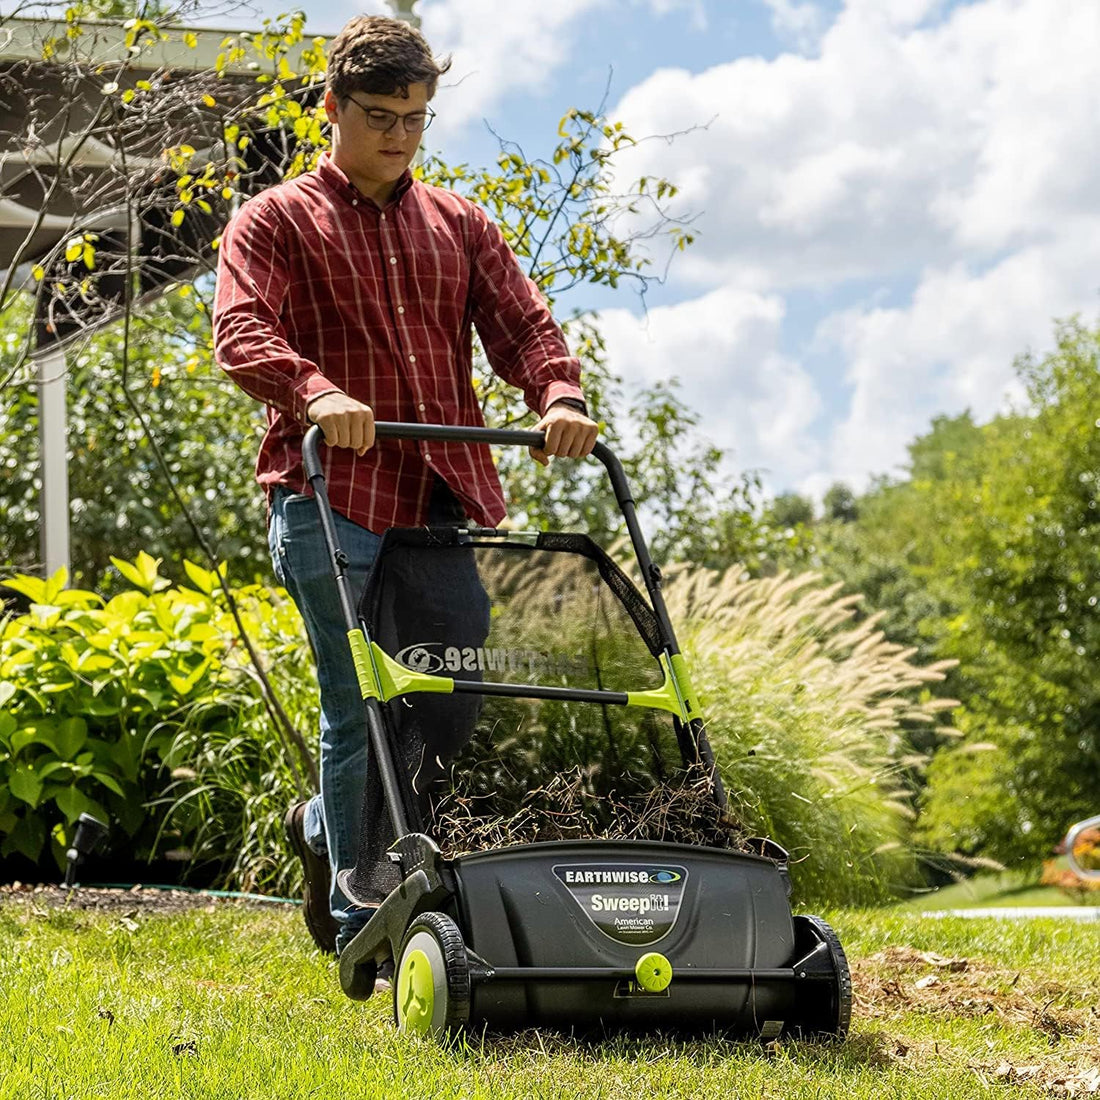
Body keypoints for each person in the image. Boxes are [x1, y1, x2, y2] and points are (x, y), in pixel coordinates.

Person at [212, 14, 599, 956]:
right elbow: (242, 331)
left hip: (435, 496)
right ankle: (363, 913)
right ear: (333, 108)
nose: (399, 134)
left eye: (416, 117)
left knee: (448, 698)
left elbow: (523, 325)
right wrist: (316, 391)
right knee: (359, 704)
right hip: (329, 497)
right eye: (381, 115)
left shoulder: (460, 225)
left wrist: (557, 394)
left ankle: (331, 830)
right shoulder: (277, 219)